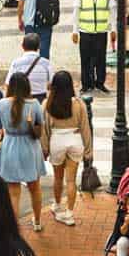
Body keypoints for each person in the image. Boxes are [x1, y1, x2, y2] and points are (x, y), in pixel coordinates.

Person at [0, 71, 47, 232]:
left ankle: (14, 227)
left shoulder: (2, 104)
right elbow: (40, 128)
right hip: (30, 147)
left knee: (13, 192)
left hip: (10, 145)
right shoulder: (35, 104)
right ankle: (37, 221)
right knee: (34, 187)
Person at [39, 71, 89, 228]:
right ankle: (69, 213)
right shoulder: (79, 104)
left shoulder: (47, 103)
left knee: (58, 178)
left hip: (57, 140)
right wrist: (88, 150)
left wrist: (44, 148)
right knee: (71, 180)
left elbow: (44, 129)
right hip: (75, 139)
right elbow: (85, 128)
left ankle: (57, 204)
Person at [73, 0, 113, 94]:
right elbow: (76, 12)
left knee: (101, 59)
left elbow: (113, 11)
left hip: (101, 32)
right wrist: (75, 31)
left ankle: (100, 83)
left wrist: (113, 30)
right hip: (85, 31)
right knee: (85, 59)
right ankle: (86, 84)